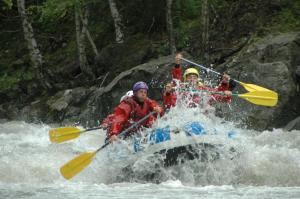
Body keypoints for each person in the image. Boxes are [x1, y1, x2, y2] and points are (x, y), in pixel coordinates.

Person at [163, 53, 236, 109]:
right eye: (189, 77)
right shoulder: (179, 89)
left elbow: (220, 96)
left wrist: (225, 88)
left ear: (198, 79)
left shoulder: (204, 89)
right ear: (185, 79)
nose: (192, 79)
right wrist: (168, 93)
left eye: (194, 77)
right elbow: (169, 104)